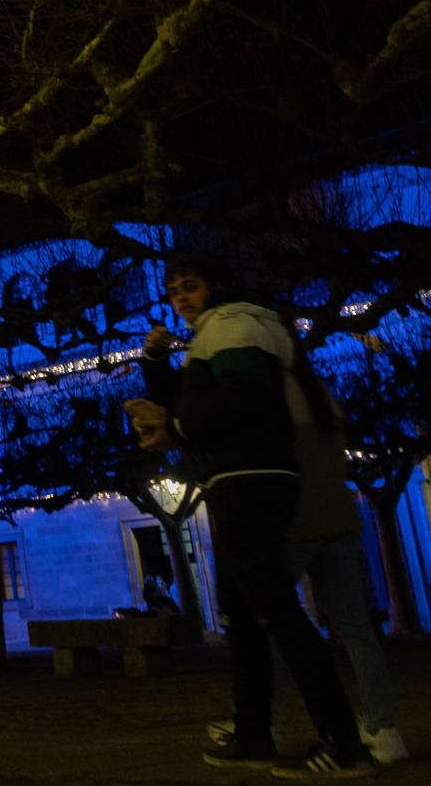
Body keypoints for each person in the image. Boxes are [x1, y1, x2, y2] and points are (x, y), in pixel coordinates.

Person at [125, 256, 373, 777]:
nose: (180, 298)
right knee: (244, 618)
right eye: (173, 291)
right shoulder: (217, 334)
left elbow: (241, 402)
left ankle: (344, 742)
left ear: (215, 287)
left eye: (190, 286)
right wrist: (155, 368)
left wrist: (176, 429)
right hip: (239, 479)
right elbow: (193, 401)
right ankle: (253, 731)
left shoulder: (234, 326)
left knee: (278, 614)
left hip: (249, 480)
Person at [203, 350, 409, 767]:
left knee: (272, 624)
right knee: (355, 629)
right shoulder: (319, 391)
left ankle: (267, 724)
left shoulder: (270, 394)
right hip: (338, 520)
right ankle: (383, 729)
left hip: (296, 526)